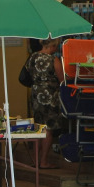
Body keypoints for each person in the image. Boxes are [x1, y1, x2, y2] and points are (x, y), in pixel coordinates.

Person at [26, 38, 65, 169]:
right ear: (52, 46)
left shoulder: (33, 57)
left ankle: (35, 160)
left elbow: (28, 74)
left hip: (36, 94)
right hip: (50, 95)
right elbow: (62, 80)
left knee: (38, 126)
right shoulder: (53, 60)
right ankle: (43, 161)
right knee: (49, 127)